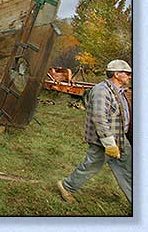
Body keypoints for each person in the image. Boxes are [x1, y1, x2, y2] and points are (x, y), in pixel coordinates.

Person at [57, 59, 132, 204]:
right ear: (116, 74)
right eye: (127, 73)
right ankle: (66, 186)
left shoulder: (119, 91)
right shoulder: (101, 90)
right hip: (103, 141)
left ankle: (138, 203)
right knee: (91, 166)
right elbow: (99, 118)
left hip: (120, 139)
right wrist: (109, 144)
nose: (129, 76)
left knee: (129, 169)